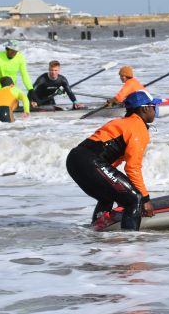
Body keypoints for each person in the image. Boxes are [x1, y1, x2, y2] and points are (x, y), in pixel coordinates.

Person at [66, 90, 161, 231]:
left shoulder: (122, 123)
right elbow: (132, 168)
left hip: (74, 160)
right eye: (154, 106)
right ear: (145, 108)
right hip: (90, 161)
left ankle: (96, 233)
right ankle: (130, 243)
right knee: (135, 200)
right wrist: (145, 199)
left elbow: (107, 161)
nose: (156, 110)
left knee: (107, 196)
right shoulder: (138, 128)